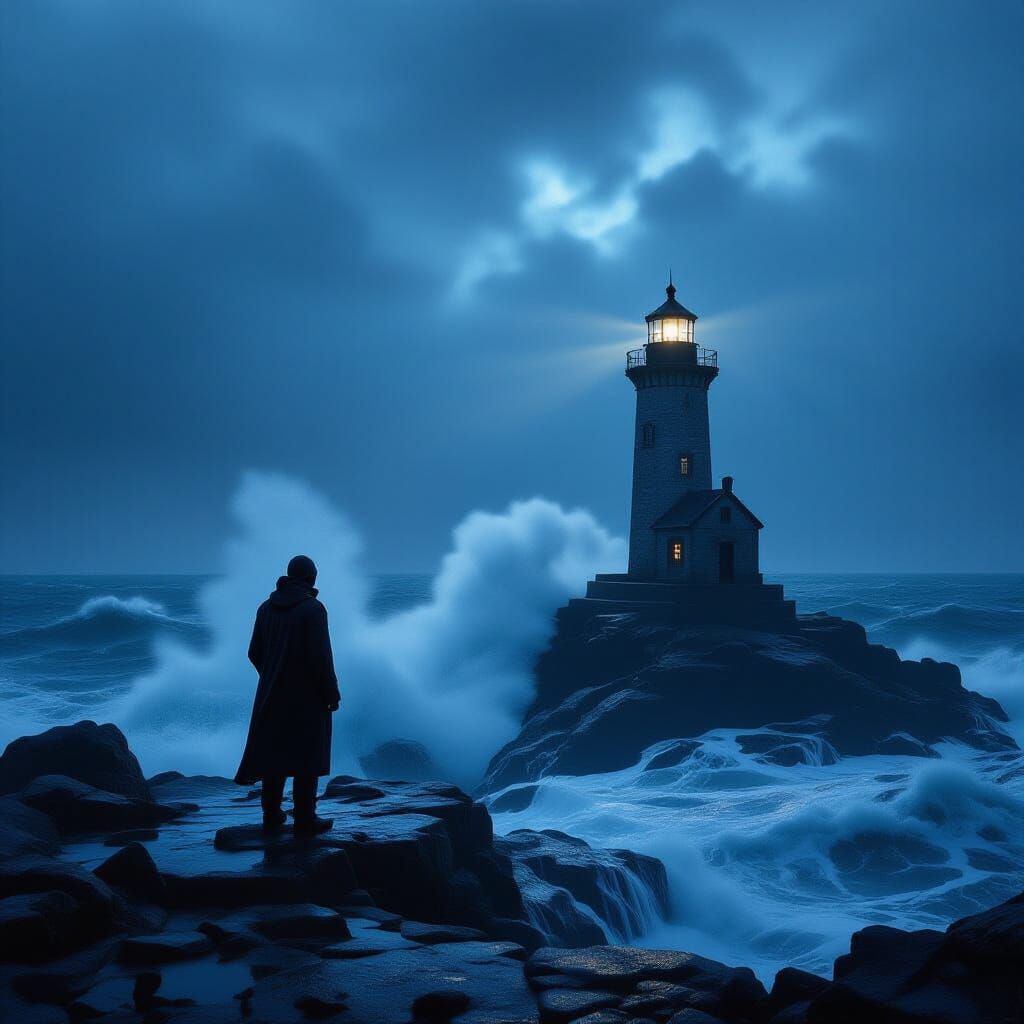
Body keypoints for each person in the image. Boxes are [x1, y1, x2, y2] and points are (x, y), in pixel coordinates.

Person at [234, 554, 341, 836]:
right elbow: (321, 658)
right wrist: (331, 692)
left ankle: (272, 813)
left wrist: (272, 675)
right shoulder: (313, 610)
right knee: (307, 753)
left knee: (275, 752)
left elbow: (253, 652)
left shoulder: (265, 608)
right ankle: (305, 817)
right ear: (310, 578)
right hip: (307, 697)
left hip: (271, 694)